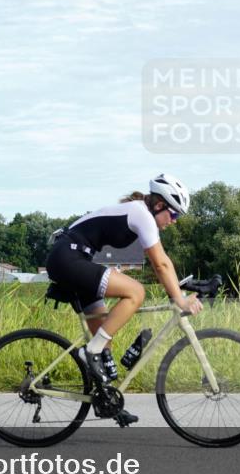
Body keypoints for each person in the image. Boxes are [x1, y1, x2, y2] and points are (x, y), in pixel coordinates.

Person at [44, 174, 204, 424]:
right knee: (136, 291)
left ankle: (109, 404)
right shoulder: (142, 214)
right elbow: (160, 264)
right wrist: (180, 301)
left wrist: (180, 293)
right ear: (160, 205)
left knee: (104, 343)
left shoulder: (140, 213)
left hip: (75, 258)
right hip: (68, 258)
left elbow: (164, 261)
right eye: (173, 215)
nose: (173, 222)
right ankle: (90, 352)